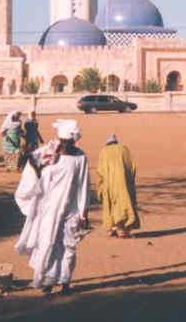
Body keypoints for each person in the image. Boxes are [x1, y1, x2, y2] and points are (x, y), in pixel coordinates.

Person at [14, 119, 90, 295]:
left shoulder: (80, 157)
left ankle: (64, 281)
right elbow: (32, 166)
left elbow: (83, 184)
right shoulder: (48, 152)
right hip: (48, 208)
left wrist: (83, 212)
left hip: (70, 210)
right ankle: (46, 281)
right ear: (60, 139)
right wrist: (30, 159)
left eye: (70, 142)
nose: (67, 145)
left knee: (68, 247)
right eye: (64, 142)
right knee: (47, 244)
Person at [95, 134, 140, 238]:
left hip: (109, 185)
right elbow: (131, 167)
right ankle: (123, 230)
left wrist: (100, 188)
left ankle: (112, 229)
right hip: (124, 184)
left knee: (110, 206)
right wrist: (130, 181)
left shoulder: (103, 152)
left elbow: (99, 171)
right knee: (124, 206)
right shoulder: (124, 150)